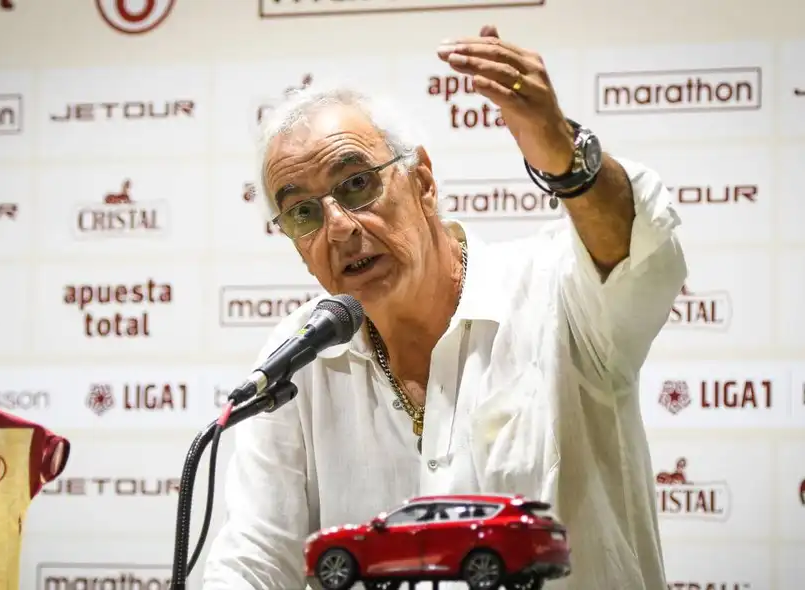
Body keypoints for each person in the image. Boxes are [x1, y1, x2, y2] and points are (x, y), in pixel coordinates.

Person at [203, 25, 686, 590]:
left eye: (356, 184)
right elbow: (255, 559)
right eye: (303, 213)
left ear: (423, 183)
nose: (338, 227)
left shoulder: (554, 292)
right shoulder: (301, 355)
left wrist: (565, 157)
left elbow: (637, 248)